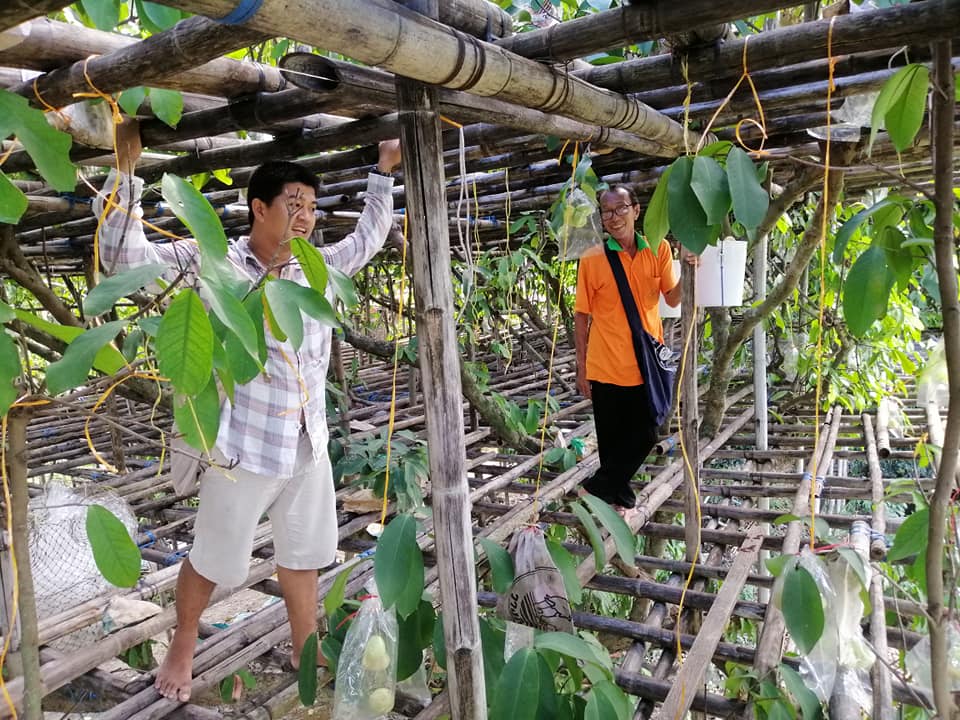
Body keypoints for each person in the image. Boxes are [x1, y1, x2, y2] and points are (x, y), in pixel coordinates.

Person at [93, 119, 401, 702]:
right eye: (294, 203)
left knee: (306, 552)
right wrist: (126, 172)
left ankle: (304, 645)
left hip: (306, 444)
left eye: (311, 205)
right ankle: (183, 644)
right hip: (243, 449)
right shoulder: (215, 265)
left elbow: (366, 242)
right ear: (258, 208)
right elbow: (124, 259)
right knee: (215, 559)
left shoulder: (317, 273)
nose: (306, 215)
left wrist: (382, 173)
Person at [574, 184, 692, 511]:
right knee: (612, 446)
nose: (614, 217)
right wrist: (581, 368)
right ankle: (619, 505)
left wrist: (691, 266)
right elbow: (581, 315)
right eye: (607, 211)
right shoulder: (593, 257)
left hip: (645, 365)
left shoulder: (659, 249)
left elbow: (673, 297)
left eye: (620, 208)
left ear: (636, 210)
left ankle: (592, 492)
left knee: (647, 434)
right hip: (605, 365)